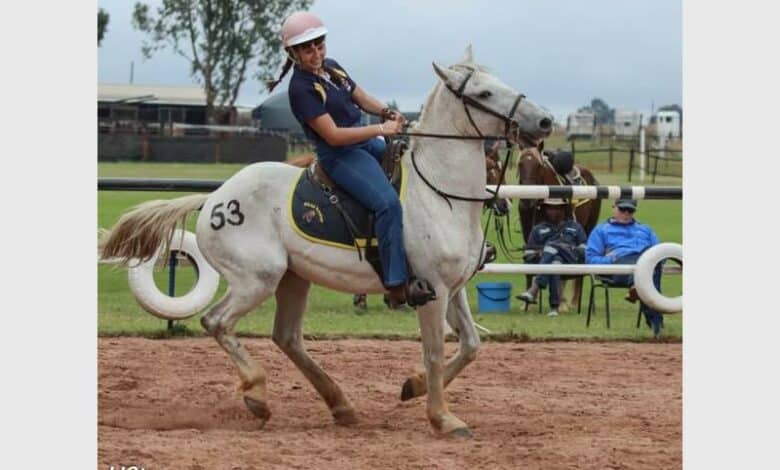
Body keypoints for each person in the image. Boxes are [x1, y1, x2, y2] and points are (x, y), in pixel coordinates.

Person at [266, 11, 434, 308]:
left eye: (319, 45)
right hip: (341, 155)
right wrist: (382, 128)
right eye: (307, 48)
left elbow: (359, 96)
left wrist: (385, 111)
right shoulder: (300, 89)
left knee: (413, 169)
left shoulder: (331, 68)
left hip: (364, 140)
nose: (316, 53)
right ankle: (396, 283)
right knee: (388, 204)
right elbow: (333, 136)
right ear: (293, 53)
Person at [585, 198, 664, 336]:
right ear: (613, 208)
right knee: (647, 269)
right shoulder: (601, 230)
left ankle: (637, 288)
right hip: (619, 266)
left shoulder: (645, 229)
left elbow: (660, 254)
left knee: (652, 257)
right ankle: (656, 320)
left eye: (630, 210)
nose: (626, 213)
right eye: (622, 209)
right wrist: (611, 259)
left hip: (645, 262)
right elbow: (591, 259)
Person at [516, 199, 587, 317]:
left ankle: (534, 289)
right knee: (555, 261)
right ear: (545, 210)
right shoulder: (537, 229)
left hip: (571, 260)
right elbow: (528, 255)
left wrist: (567, 249)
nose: (554, 211)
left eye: (558, 208)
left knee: (551, 247)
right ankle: (554, 307)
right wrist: (538, 254)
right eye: (550, 208)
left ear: (564, 209)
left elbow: (584, 250)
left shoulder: (575, 227)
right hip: (551, 264)